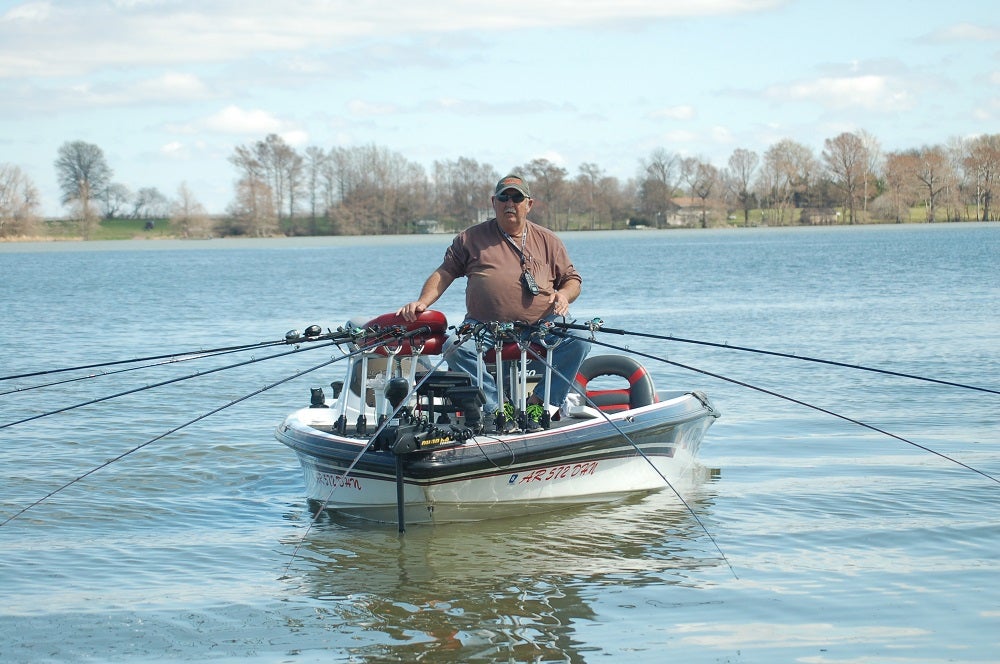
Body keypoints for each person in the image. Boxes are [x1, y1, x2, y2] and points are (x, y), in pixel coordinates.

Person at [397, 173, 589, 430]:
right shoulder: (470, 238)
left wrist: (563, 295)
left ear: (528, 204)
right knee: (455, 346)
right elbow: (445, 273)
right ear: (494, 202)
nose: (510, 203)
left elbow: (572, 280)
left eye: (517, 198)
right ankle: (498, 408)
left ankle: (540, 403)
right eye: (504, 197)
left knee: (580, 339)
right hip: (484, 327)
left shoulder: (549, 240)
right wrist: (422, 302)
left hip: (539, 326)